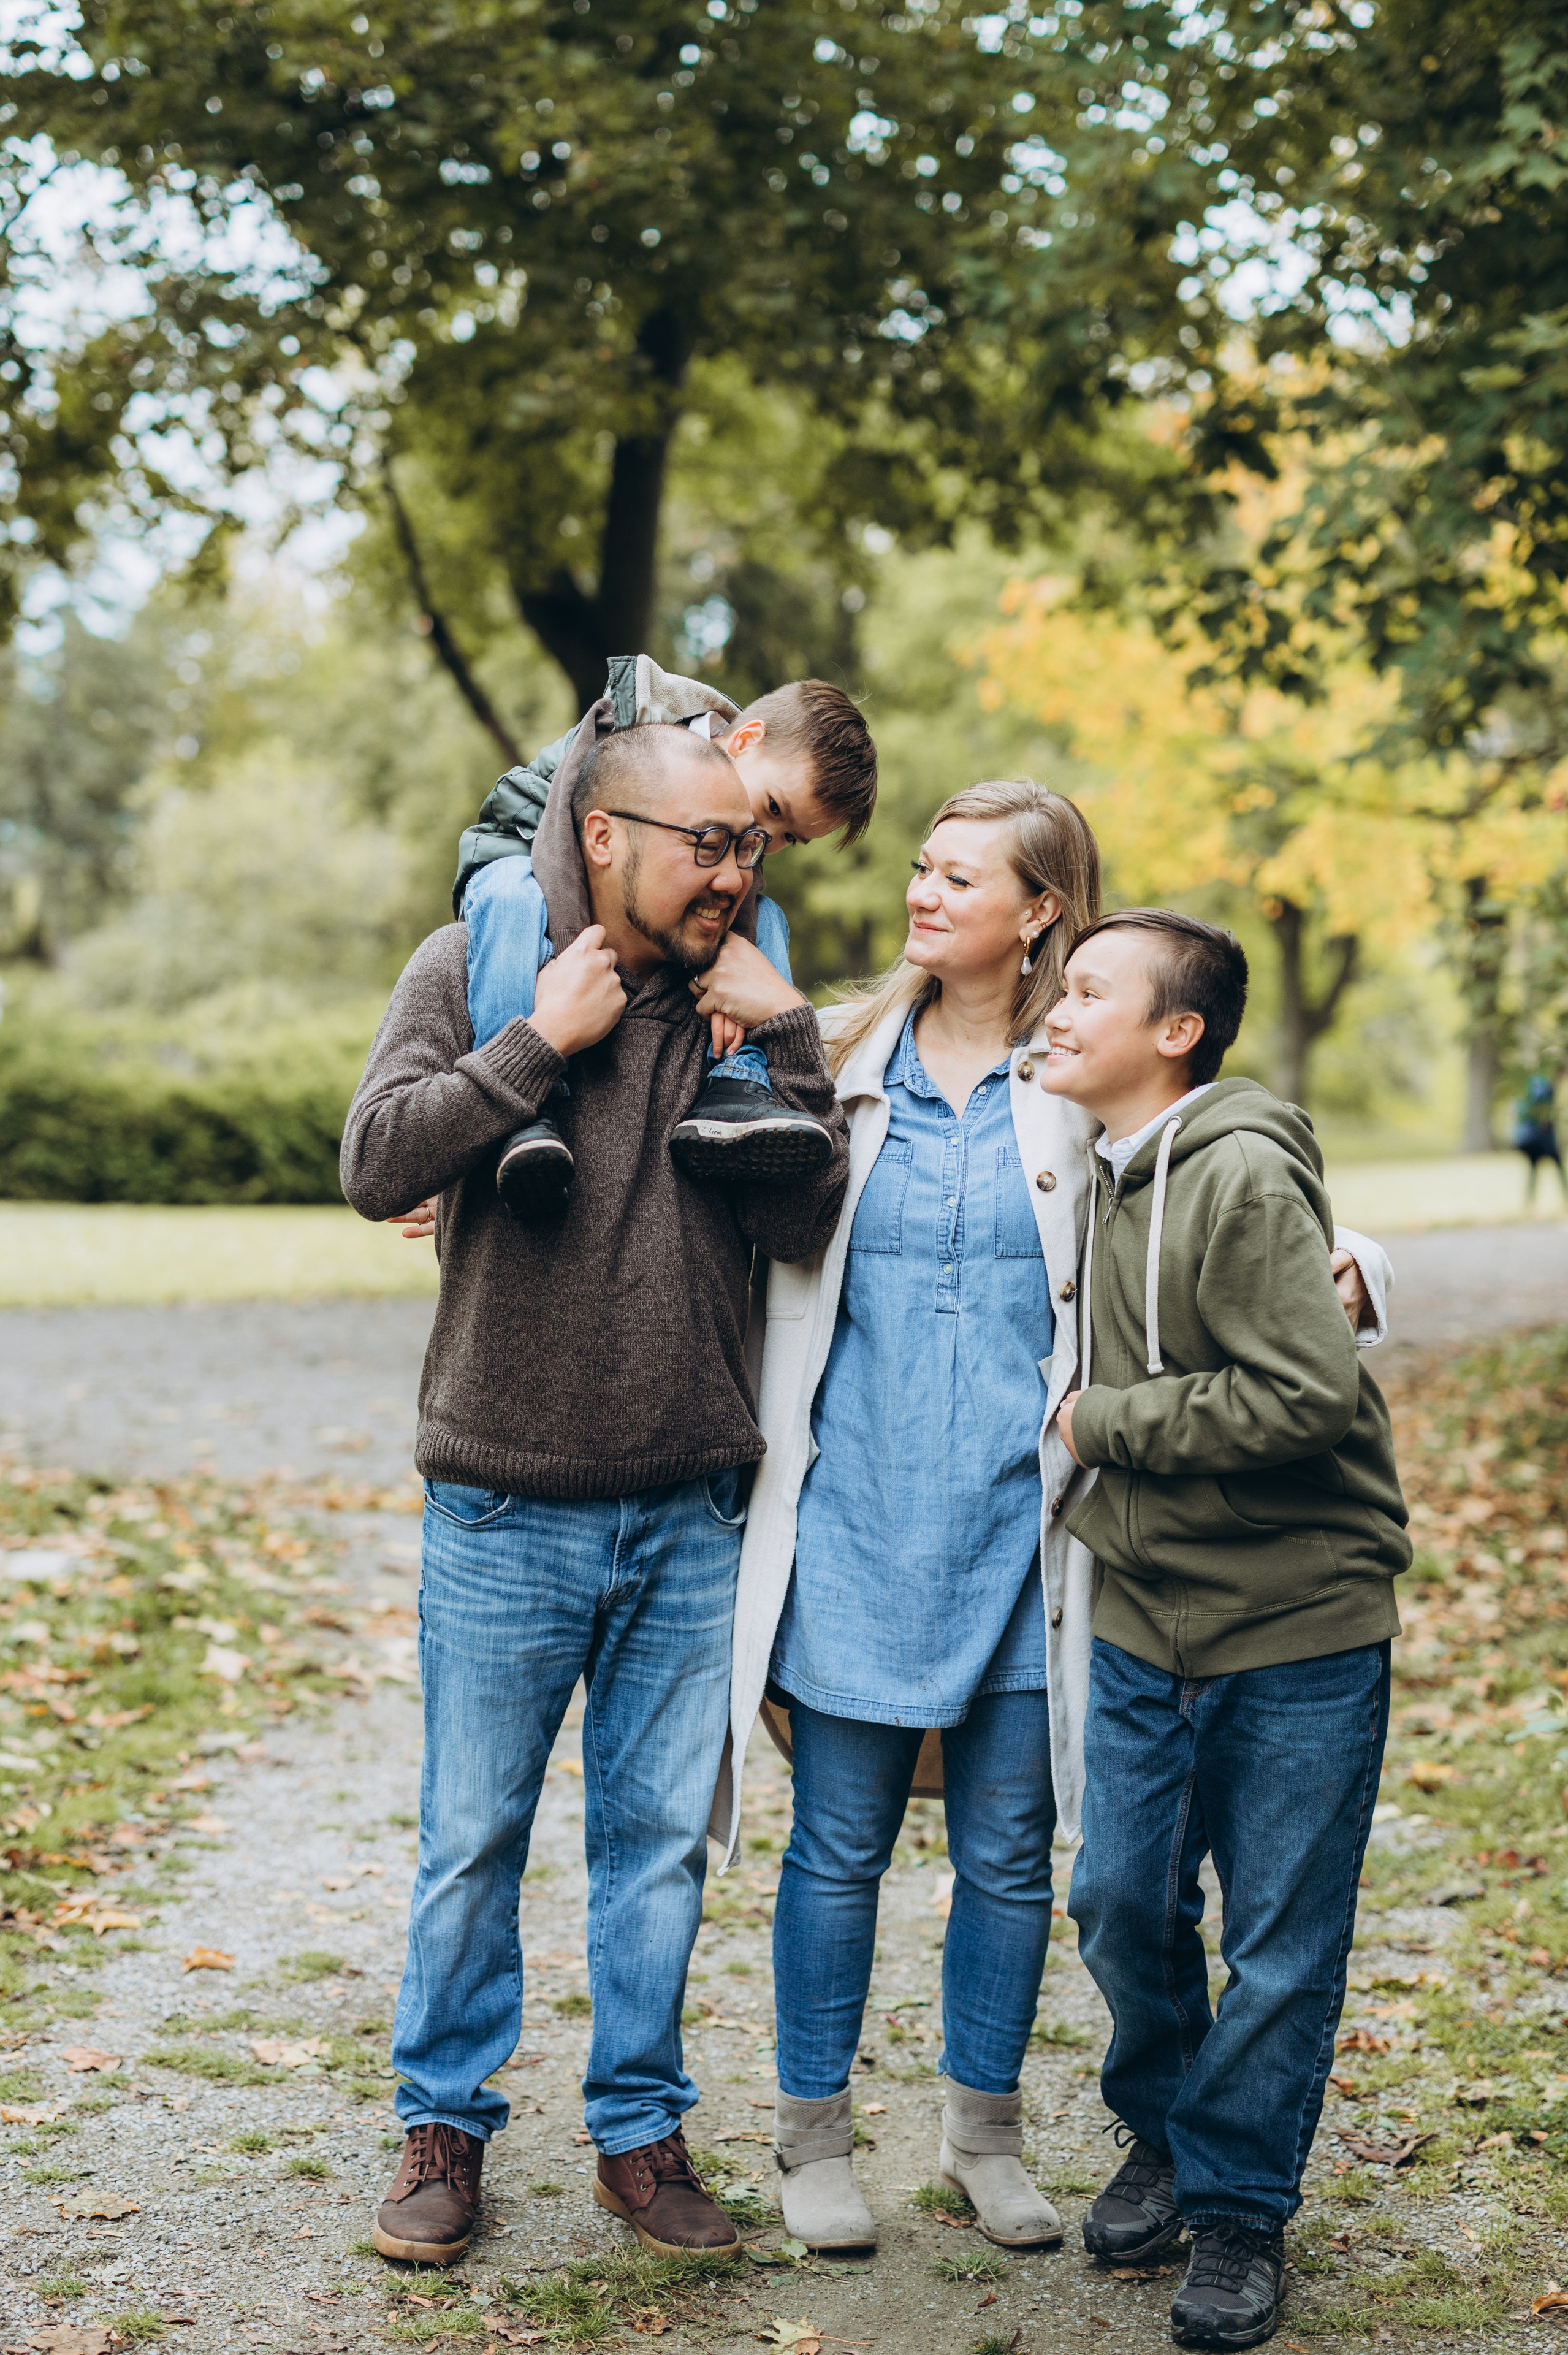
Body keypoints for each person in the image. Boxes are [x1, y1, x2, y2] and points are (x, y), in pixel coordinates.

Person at [706, 784, 1392, 2261]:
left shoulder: (1073, 1076)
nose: (921, 890)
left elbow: (1248, 1185)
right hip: (854, 1508)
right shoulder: (831, 1054)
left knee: (1016, 1849)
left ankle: (980, 2134)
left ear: (1038, 909)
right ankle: (811, 2137)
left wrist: (1353, 1281)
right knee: (834, 1842)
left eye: (962, 874)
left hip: (1036, 1526)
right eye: (918, 864)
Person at [340, 719, 850, 2266]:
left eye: (751, 848)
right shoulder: (475, 961)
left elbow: (808, 1207)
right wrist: (534, 1046)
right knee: (471, 1833)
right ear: (606, 832)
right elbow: (374, 1160)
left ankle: (639, 2132)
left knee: (654, 1847)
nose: (740, 872)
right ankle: (443, 2127)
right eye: (712, 844)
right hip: (503, 1495)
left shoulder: (738, 988)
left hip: (689, 1497)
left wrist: (791, 1041)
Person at [1044, 909, 1412, 2353]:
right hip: (1144, 1602)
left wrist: (1097, 1420)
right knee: (1120, 1899)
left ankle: (1240, 2206)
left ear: (1175, 1029)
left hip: (1295, 1613)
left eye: (1087, 991)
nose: (1056, 1011)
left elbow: (1309, 1396)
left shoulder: (1239, 1173)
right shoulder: (1097, 1157)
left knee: (1275, 1938)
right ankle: (1171, 2129)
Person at [456, 655, 878, 1215]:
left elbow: (735, 897)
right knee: (512, 898)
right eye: (774, 809)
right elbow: (566, 839)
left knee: (770, 920)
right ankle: (521, 1113)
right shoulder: (639, 726)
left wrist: (736, 979)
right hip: (524, 847)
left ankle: (740, 1084)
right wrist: (575, 946)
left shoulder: (738, 831)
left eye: (787, 838)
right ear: (746, 739)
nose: (766, 837)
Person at [1513, 1073, 1567, 1208]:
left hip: (1535, 1139)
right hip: (1541, 1139)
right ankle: (1530, 1202)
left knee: (1535, 1170)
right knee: (1554, 1168)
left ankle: (1529, 1201)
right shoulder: (1543, 1086)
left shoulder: (1530, 1086)